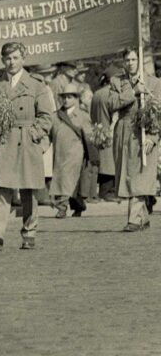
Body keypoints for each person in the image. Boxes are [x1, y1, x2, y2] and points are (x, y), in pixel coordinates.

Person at [0, 42, 54, 252]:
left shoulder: (36, 84)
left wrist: (34, 134)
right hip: (1, 140)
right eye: (7, 58)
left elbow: (47, 116)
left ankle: (29, 232)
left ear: (24, 58)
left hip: (26, 140)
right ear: (2, 60)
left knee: (28, 189)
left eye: (15, 58)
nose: (11, 62)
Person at [107, 47, 161, 231]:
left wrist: (153, 138)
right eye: (127, 60)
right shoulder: (116, 81)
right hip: (123, 133)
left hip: (144, 133)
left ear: (139, 60)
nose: (130, 63)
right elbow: (111, 103)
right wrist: (132, 92)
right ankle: (143, 217)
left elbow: (158, 113)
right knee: (129, 176)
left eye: (133, 59)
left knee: (140, 176)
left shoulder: (154, 82)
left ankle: (134, 220)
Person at [49, 83, 99, 218]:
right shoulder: (55, 116)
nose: (66, 100)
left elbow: (89, 136)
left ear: (76, 98)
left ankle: (62, 207)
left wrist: (92, 154)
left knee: (68, 178)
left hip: (75, 153)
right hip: (59, 154)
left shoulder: (82, 116)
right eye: (64, 97)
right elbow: (48, 134)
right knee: (67, 181)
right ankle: (78, 205)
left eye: (70, 97)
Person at [90, 65, 120, 202]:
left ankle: (104, 190)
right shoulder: (112, 94)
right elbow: (116, 114)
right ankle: (108, 191)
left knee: (103, 161)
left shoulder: (97, 94)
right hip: (110, 131)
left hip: (98, 130)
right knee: (110, 162)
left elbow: (92, 115)